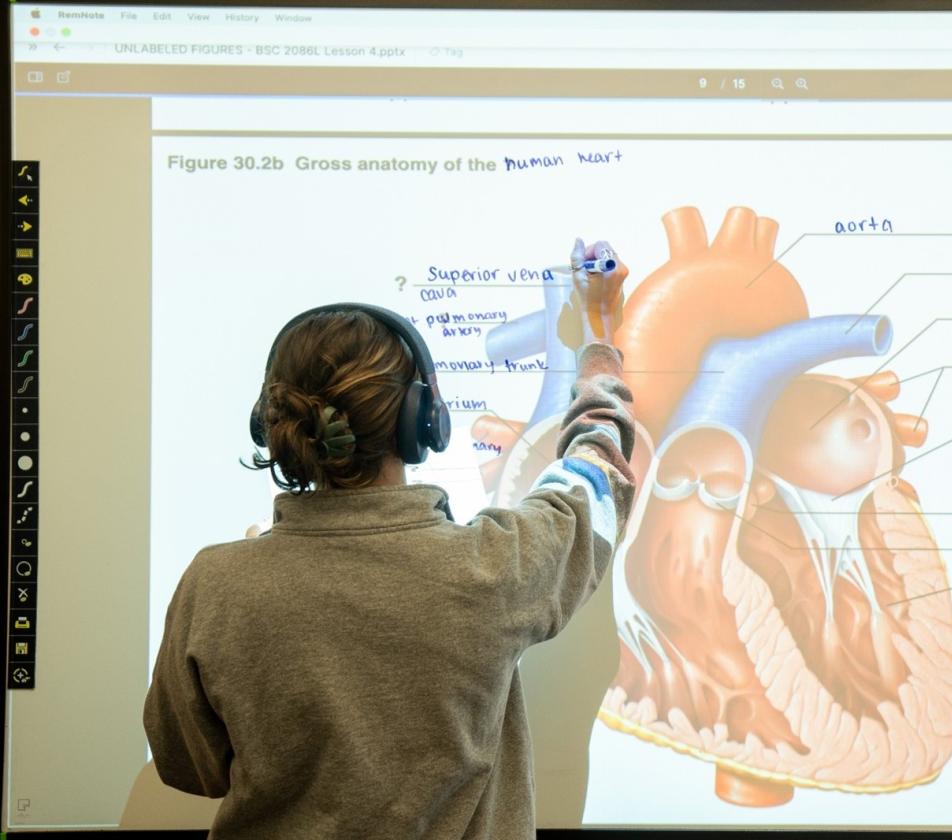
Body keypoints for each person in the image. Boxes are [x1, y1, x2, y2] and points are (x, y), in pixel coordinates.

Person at [143, 240, 634, 838]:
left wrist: (258, 596)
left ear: (272, 423)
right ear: (423, 419)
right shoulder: (491, 567)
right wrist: (597, 346)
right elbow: (593, 478)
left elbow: (188, 767)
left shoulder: (216, 585)